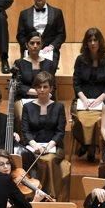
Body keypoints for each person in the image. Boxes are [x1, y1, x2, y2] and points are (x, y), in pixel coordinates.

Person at [71, 27, 105, 160]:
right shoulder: (80, 59)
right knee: (80, 117)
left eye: (95, 40)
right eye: (89, 40)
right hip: (83, 98)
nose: (92, 43)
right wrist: (84, 99)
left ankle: (89, 146)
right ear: (86, 43)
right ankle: (87, 144)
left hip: (102, 98)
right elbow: (76, 82)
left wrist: (100, 99)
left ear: (100, 42)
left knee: (98, 119)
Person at [20, 72, 66, 200]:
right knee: (28, 158)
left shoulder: (59, 107)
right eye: (39, 87)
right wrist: (35, 145)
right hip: (32, 146)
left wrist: (48, 146)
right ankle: (31, 195)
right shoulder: (27, 107)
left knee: (49, 159)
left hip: (54, 146)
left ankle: (50, 195)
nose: (41, 90)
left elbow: (60, 132)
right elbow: (25, 131)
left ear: (51, 88)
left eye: (45, 87)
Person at [16, 0, 66, 66]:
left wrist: (51, 47)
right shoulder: (24, 14)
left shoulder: (57, 12)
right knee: (27, 76)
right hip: (30, 50)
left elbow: (61, 34)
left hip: (49, 51)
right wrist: (29, 47)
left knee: (48, 73)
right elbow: (20, 35)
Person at [15, 31, 55, 99]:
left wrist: (42, 94)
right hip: (24, 98)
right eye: (32, 43)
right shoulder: (19, 63)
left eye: (38, 43)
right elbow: (18, 86)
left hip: (45, 98)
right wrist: (39, 92)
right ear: (27, 45)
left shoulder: (49, 63)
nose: (35, 46)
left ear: (42, 45)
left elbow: (52, 85)